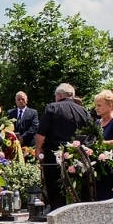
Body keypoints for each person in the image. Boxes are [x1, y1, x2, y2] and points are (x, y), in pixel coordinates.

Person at [36, 84, 92, 212]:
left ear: (59, 95)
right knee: (76, 188)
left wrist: (38, 149)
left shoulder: (52, 107)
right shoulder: (83, 111)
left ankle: (57, 213)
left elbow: (41, 133)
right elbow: (90, 134)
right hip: (78, 156)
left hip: (54, 155)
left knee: (55, 189)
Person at [92, 90, 113, 200]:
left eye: (99, 105)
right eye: (96, 105)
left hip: (112, 168)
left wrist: (100, 144)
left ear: (110, 106)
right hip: (98, 167)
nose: (96, 108)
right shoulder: (97, 123)